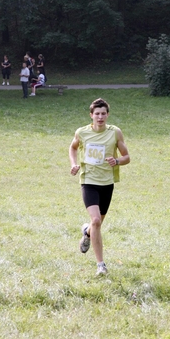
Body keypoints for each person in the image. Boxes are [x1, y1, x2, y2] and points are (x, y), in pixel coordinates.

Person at [69, 98, 130, 276]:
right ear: (91, 115)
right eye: (97, 114)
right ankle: (101, 265)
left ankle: (87, 232)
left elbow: (127, 157)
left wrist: (117, 160)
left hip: (107, 183)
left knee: (96, 224)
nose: (100, 117)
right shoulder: (82, 132)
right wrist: (73, 164)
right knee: (95, 220)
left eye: (103, 113)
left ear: (107, 115)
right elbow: (72, 148)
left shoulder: (115, 133)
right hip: (89, 182)